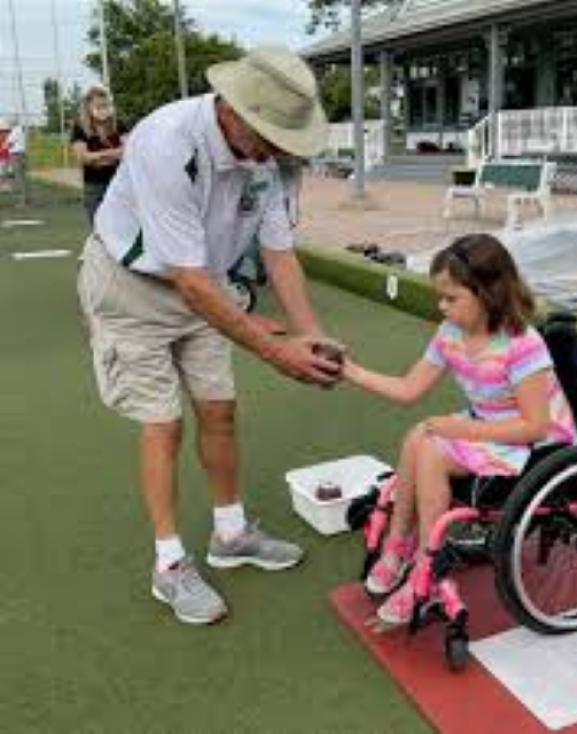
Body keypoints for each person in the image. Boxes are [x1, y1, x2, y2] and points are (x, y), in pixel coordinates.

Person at [77, 45, 344, 626]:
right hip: (131, 289)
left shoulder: (265, 161)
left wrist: (313, 335)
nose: (277, 149)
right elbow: (191, 283)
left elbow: (279, 254)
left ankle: (230, 533)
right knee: (164, 422)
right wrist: (275, 351)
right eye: (271, 133)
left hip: (205, 287)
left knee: (220, 410)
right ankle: (169, 565)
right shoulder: (165, 141)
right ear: (232, 108)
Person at [343, 233, 577, 625]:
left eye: (452, 298)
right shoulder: (450, 333)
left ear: (488, 293)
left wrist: (459, 430)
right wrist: (349, 371)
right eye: (441, 297)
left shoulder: (522, 345)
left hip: (536, 444)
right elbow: (408, 390)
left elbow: (536, 426)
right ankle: (397, 546)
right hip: (489, 426)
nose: (442, 306)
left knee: (433, 447)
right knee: (419, 433)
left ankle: (427, 571)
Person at [70, 86, 128, 224]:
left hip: (118, 184)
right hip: (94, 186)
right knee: (98, 228)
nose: (103, 109)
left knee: (122, 226)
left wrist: (97, 157)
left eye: (105, 105)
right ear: (88, 107)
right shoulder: (80, 128)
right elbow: (83, 157)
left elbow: (128, 151)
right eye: (98, 106)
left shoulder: (119, 124)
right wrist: (113, 154)